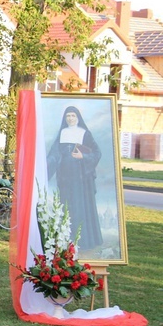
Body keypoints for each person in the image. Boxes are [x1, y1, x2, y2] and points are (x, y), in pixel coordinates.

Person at [46, 105, 103, 249]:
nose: (70, 118)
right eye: (68, 116)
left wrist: (83, 156)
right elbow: (54, 153)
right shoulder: (62, 133)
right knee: (65, 205)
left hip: (79, 178)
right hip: (64, 177)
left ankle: (82, 241)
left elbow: (97, 153)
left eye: (73, 116)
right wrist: (46, 164)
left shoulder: (85, 134)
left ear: (78, 118)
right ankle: (64, 240)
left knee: (78, 206)